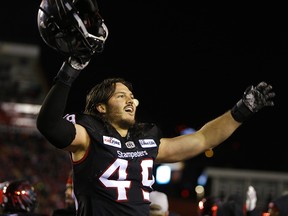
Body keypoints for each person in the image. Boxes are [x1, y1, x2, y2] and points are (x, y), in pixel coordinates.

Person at [36, 1, 276, 216]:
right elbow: (49, 125)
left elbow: (203, 139)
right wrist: (72, 68)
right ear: (100, 107)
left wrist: (241, 111)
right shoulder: (89, 135)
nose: (133, 101)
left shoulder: (145, 140)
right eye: (122, 96)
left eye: (132, 96)